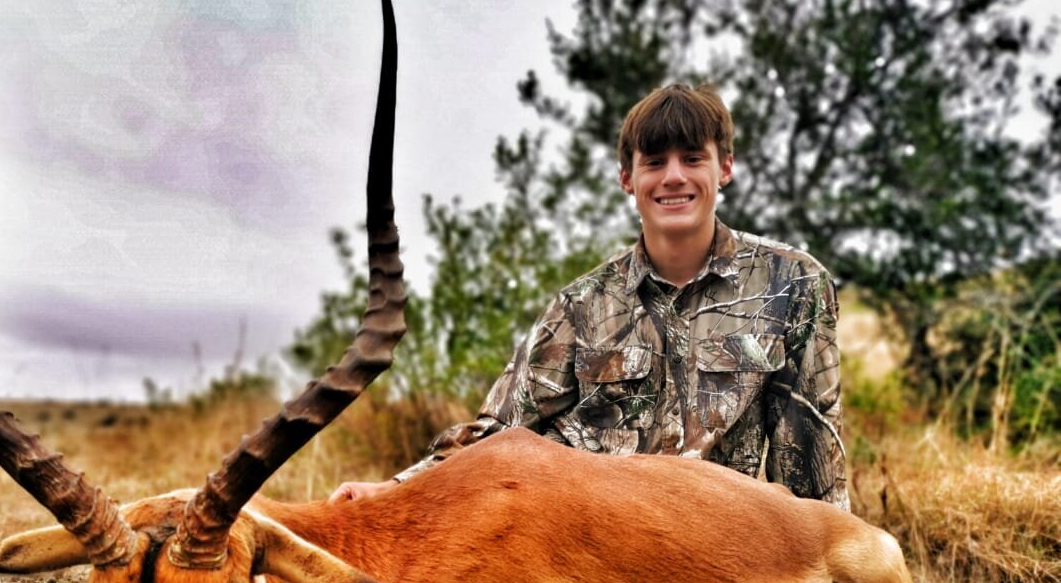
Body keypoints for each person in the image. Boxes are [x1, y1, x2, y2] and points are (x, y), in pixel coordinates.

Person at [331, 83, 848, 510]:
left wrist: (827, 568)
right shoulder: (581, 306)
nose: (673, 176)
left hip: (715, 542)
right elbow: (499, 432)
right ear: (628, 178)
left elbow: (813, 457)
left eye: (693, 158)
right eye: (654, 162)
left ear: (725, 168)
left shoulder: (794, 284)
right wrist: (397, 490)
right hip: (595, 547)